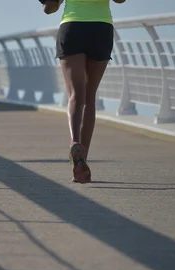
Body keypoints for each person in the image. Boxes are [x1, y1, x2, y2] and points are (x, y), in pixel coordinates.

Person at [41, 0, 125, 183]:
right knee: (89, 96)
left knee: (75, 95)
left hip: (73, 27)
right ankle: (83, 157)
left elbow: (50, 8)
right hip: (101, 28)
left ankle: (74, 142)